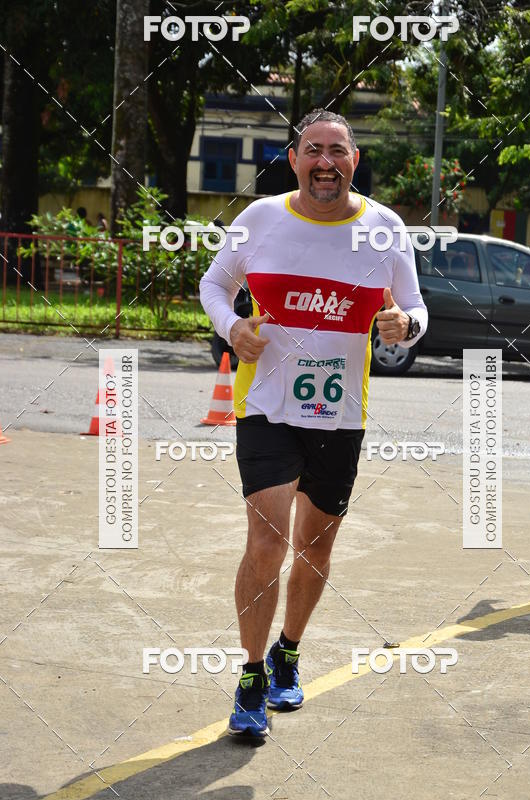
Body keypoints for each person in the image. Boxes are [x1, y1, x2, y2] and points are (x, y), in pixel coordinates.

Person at [200, 109, 428, 737]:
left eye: (338, 150)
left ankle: (287, 653)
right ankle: (249, 678)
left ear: (354, 159)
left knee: (316, 544)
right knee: (267, 541)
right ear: (295, 158)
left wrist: (404, 327)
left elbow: (414, 306)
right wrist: (234, 327)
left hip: (339, 415)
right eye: (313, 150)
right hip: (267, 408)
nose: (325, 162)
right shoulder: (260, 219)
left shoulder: (383, 229)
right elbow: (213, 286)